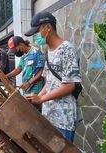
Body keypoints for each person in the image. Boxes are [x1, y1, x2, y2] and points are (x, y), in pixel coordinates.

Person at [25, 11, 81, 142]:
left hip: (63, 119)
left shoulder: (66, 49)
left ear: (48, 27)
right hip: (48, 116)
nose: (36, 37)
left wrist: (41, 99)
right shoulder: (47, 50)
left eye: (37, 32)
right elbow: (49, 81)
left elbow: (70, 85)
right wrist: (37, 97)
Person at [6, 36, 45, 112]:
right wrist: (6, 76)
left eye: (15, 49)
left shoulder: (36, 52)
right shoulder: (23, 56)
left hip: (36, 92)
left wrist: (29, 83)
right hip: (27, 91)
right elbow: (18, 69)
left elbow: (41, 71)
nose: (15, 52)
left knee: (36, 114)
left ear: (21, 44)